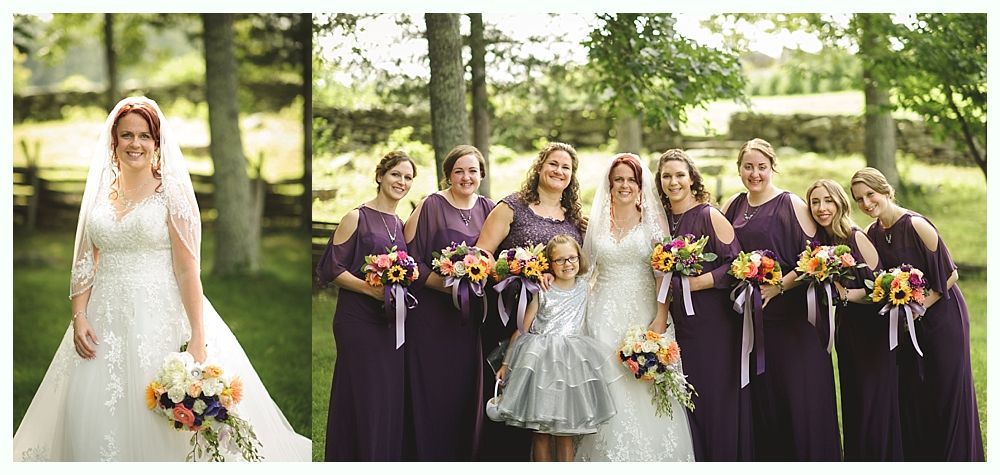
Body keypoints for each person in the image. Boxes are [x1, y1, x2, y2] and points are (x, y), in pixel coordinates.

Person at [12, 96, 310, 461]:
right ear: (114, 140)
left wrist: (197, 336)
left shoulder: (171, 193)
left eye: (144, 136)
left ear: (156, 142)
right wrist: (79, 315)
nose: (135, 144)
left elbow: (187, 269)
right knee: (88, 408)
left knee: (157, 406)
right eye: (127, 135)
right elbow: (86, 261)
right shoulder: (101, 194)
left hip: (159, 314)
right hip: (103, 318)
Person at [850, 167, 983, 461]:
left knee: (946, 391)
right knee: (918, 392)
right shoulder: (872, 233)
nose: (866, 203)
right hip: (907, 322)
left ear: (885, 190)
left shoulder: (916, 225)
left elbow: (950, 275)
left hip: (942, 317)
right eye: (859, 199)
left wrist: (917, 308)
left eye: (870, 194)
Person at [721, 138, 840, 461]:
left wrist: (780, 287)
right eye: (748, 167)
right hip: (751, 323)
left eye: (762, 167)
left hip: (792, 324)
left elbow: (818, 258)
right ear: (739, 169)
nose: (755, 174)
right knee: (765, 401)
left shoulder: (791, 204)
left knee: (797, 399)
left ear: (773, 167)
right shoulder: (733, 206)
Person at [575, 153, 695, 462]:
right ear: (610, 183)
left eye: (631, 180)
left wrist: (660, 317)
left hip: (645, 312)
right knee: (609, 384)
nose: (625, 185)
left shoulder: (652, 224)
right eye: (619, 179)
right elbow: (586, 271)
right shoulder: (596, 223)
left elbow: (663, 273)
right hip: (602, 313)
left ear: (641, 185)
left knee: (646, 382)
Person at [475, 142, 584, 461]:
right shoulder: (512, 207)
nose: (559, 171)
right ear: (540, 167)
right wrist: (520, 271)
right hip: (511, 314)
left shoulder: (575, 219)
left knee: (552, 407)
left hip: (556, 326)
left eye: (566, 167)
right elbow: (483, 254)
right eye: (553, 164)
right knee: (511, 399)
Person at [316, 151, 416, 461]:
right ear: (380, 176)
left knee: (385, 394)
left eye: (408, 177)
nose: (401, 182)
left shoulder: (399, 223)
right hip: (357, 319)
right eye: (396, 174)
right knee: (361, 392)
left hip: (389, 322)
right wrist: (369, 290)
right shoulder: (356, 217)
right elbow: (331, 269)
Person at [655, 149, 752, 461]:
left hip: (712, 322)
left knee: (713, 395)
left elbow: (736, 264)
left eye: (679, 175)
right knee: (688, 395)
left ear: (692, 178)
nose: (673, 182)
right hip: (679, 323)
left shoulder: (708, 215)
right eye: (667, 176)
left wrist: (696, 283)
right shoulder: (660, 220)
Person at [403, 145, 496, 461]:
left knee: (464, 390)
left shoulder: (490, 208)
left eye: (472, 171)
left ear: (481, 175)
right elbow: (411, 261)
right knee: (433, 388)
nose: (466, 177)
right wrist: (451, 287)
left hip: (469, 322)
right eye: (459, 171)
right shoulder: (431, 205)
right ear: (448, 175)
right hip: (432, 317)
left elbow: (496, 260)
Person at [494, 234, 618, 462]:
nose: (567, 264)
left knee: (566, 433)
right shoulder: (542, 290)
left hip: (572, 366)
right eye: (559, 260)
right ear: (550, 264)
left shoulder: (585, 287)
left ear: (579, 258)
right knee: (540, 432)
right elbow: (522, 329)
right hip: (541, 365)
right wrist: (506, 363)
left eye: (572, 258)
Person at [805, 178, 902, 461]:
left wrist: (847, 294)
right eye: (815, 202)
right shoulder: (821, 244)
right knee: (854, 401)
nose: (822, 208)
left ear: (840, 203)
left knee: (873, 403)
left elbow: (881, 290)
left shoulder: (855, 236)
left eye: (828, 201)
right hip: (847, 331)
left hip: (872, 332)